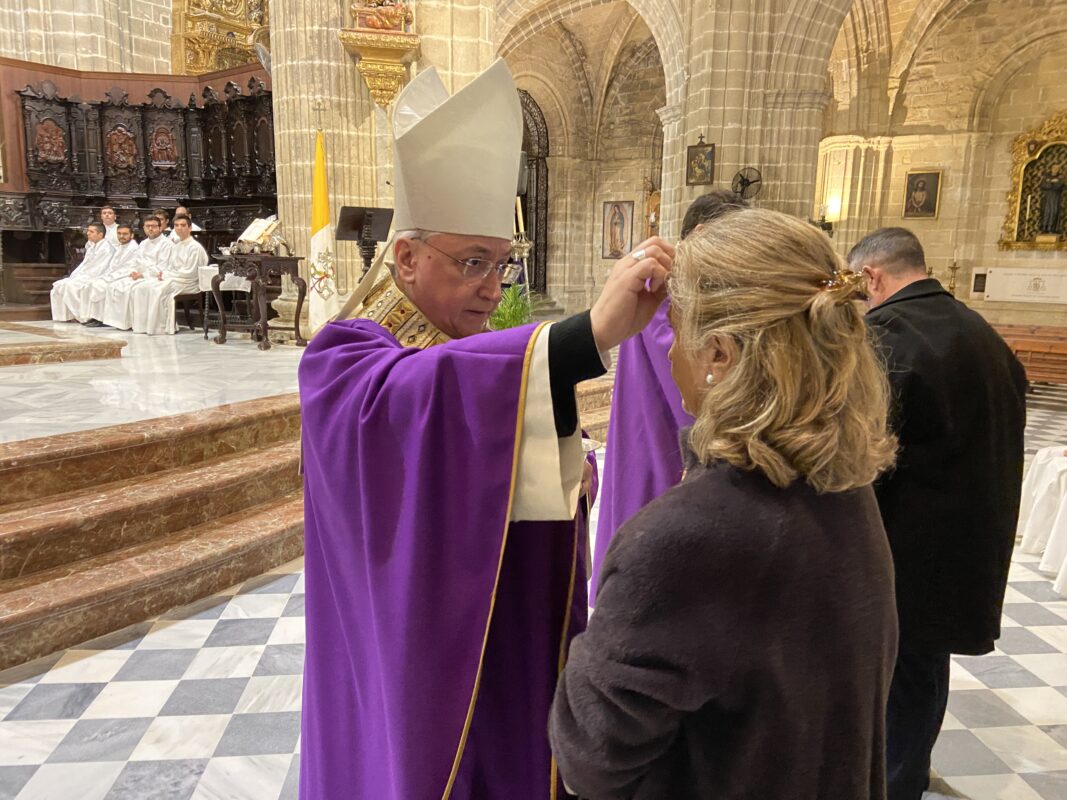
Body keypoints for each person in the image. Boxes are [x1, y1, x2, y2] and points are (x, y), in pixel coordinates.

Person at [298, 59, 672, 800]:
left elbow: (473, 419)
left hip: (487, 619)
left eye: (502, 265)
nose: (492, 289)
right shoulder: (342, 355)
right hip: (408, 644)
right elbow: (413, 403)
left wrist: (562, 457)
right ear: (404, 257)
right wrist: (586, 335)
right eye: (472, 262)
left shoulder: (447, 345)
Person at [550, 208, 899, 800]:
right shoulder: (842, 487)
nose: (667, 355)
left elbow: (591, 756)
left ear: (719, 354)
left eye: (677, 332)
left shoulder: (690, 536)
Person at [850, 228, 1027, 800]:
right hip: (968, 544)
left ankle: (889, 786)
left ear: (871, 277)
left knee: (893, 685)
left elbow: (863, 458)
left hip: (903, 549)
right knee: (921, 676)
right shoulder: (981, 332)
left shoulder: (887, 335)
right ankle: (905, 776)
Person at [592, 188, 745, 600]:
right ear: (699, 234)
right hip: (661, 435)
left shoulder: (688, 293)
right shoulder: (671, 296)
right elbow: (698, 380)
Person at [129, 213, 208, 334]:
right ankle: (144, 326)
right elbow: (170, 266)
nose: (179, 228)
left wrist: (166, 275)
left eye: (183, 225)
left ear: (190, 228)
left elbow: (190, 272)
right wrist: (164, 274)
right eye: (176, 225)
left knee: (156, 289)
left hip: (188, 282)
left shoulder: (195, 247)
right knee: (143, 287)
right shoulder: (177, 246)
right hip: (175, 279)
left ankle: (160, 327)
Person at [102, 216, 174, 331]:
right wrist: (134, 272)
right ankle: (121, 322)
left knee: (133, 289)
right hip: (139, 275)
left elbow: (163, 266)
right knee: (115, 286)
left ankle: (137, 324)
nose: (150, 229)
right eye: (147, 226)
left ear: (160, 228)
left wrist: (142, 275)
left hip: (154, 277)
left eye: (154, 226)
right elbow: (135, 262)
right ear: (144, 228)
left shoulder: (167, 244)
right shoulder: (143, 243)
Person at [50, 222, 115, 322]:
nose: (88, 233)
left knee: (71, 286)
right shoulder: (92, 247)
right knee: (58, 286)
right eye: (88, 231)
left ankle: (83, 316)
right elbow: (84, 265)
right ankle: (64, 317)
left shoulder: (107, 248)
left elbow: (100, 268)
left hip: (96, 276)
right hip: (85, 275)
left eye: (91, 231)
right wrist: (74, 276)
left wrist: (82, 277)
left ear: (100, 234)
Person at [81, 223, 139, 327]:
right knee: (93, 283)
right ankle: (94, 316)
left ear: (132, 235)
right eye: (119, 233)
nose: (121, 236)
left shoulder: (133, 248)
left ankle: (102, 319)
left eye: (125, 234)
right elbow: (113, 266)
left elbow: (130, 267)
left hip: (125, 276)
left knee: (100, 286)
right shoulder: (121, 247)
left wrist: (112, 276)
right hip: (114, 274)